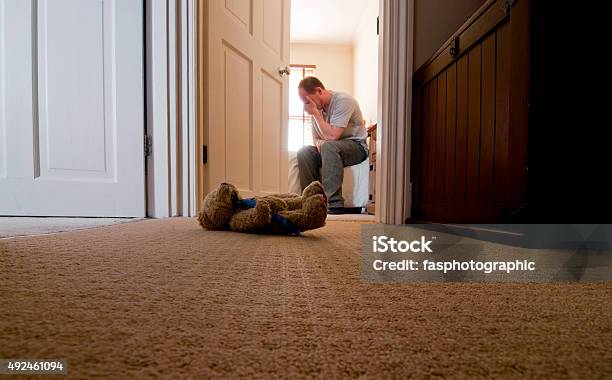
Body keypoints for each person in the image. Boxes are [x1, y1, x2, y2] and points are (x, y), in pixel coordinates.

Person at [296, 77, 368, 214]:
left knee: (329, 146)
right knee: (304, 152)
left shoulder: (343, 101)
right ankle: (311, 202)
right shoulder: (316, 108)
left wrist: (316, 115)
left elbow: (333, 136)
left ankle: (334, 205)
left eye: (307, 100)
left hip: (356, 146)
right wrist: (321, 140)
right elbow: (316, 139)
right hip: (331, 147)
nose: (306, 105)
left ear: (319, 91)